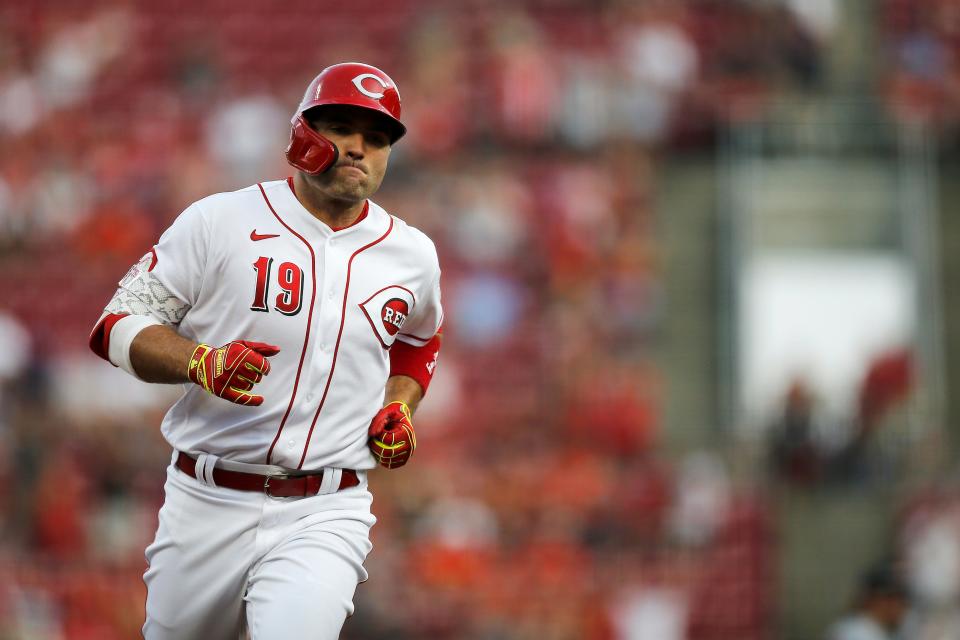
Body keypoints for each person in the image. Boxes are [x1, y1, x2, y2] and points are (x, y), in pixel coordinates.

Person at [88, 62, 443, 639]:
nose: (359, 148)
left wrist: (401, 406)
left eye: (376, 138)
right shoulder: (219, 221)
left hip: (327, 506)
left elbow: (420, 341)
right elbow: (114, 325)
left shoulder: (412, 254)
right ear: (303, 134)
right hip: (205, 497)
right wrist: (198, 363)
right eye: (342, 128)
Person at [826, 562, 909, 640]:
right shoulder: (857, 633)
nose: (903, 609)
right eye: (901, 602)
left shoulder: (869, 630)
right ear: (883, 601)